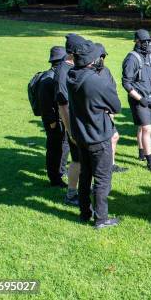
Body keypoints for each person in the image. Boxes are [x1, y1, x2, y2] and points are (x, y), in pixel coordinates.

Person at [67, 40, 121, 229]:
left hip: (81, 136)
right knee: (103, 179)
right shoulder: (97, 82)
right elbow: (116, 106)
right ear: (91, 60)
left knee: (85, 175)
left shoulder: (71, 75)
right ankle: (101, 218)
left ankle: (84, 212)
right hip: (98, 136)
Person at [55, 33, 86, 206]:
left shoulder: (74, 67)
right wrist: (70, 130)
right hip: (73, 125)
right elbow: (63, 105)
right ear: (73, 52)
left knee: (82, 160)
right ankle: (71, 194)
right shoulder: (63, 72)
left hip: (80, 122)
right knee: (77, 160)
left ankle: (80, 189)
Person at [122, 29, 151, 172]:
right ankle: (150, 162)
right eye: (143, 41)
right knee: (146, 128)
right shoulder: (131, 59)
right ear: (136, 41)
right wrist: (141, 99)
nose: (146, 44)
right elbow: (126, 83)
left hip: (150, 97)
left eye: (147, 41)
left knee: (142, 127)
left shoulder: (149, 55)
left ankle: (141, 154)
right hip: (139, 99)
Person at [38, 46, 69, 187]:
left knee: (64, 146)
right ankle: (54, 178)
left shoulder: (57, 75)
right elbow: (45, 105)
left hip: (60, 119)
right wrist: (52, 122)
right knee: (54, 148)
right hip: (54, 121)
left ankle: (61, 170)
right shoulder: (47, 79)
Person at [95, 43, 127, 173]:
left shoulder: (105, 71)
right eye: (100, 56)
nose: (102, 59)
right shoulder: (87, 73)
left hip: (107, 110)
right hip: (95, 112)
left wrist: (111, 109)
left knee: (114, 136)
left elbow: (112, 89)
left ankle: (111, 164)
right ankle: (101, 165)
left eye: (103, 56)